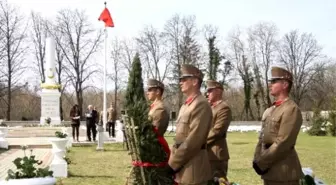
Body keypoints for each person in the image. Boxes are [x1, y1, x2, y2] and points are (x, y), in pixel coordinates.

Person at [253, 66, 304, 185]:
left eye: (274, 82)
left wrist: (261, 162)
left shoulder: (291, 109)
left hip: (284, 172)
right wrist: (256, 158)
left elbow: (283, 142)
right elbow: (262, 139)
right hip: (269, 171)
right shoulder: (270, 110)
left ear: (285, 84)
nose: (270, 85)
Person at [166, 64, 213, 185]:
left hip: (193, 169)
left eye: (184, 79)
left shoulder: (201, 104)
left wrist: (173, 164)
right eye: (180, 80)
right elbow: (178, 139)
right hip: (183, 168)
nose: (180, 82)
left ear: (194, 81)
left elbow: (194, 141)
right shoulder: (186, 105)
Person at [206, 80, 232, 181]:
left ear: (218, 91)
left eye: (210, 91)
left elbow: (217, 131)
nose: (207, 94)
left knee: (218, 181)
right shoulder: (209, 108)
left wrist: (200, 141)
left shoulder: (224, 108)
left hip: (216, 155)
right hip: (206, 153)